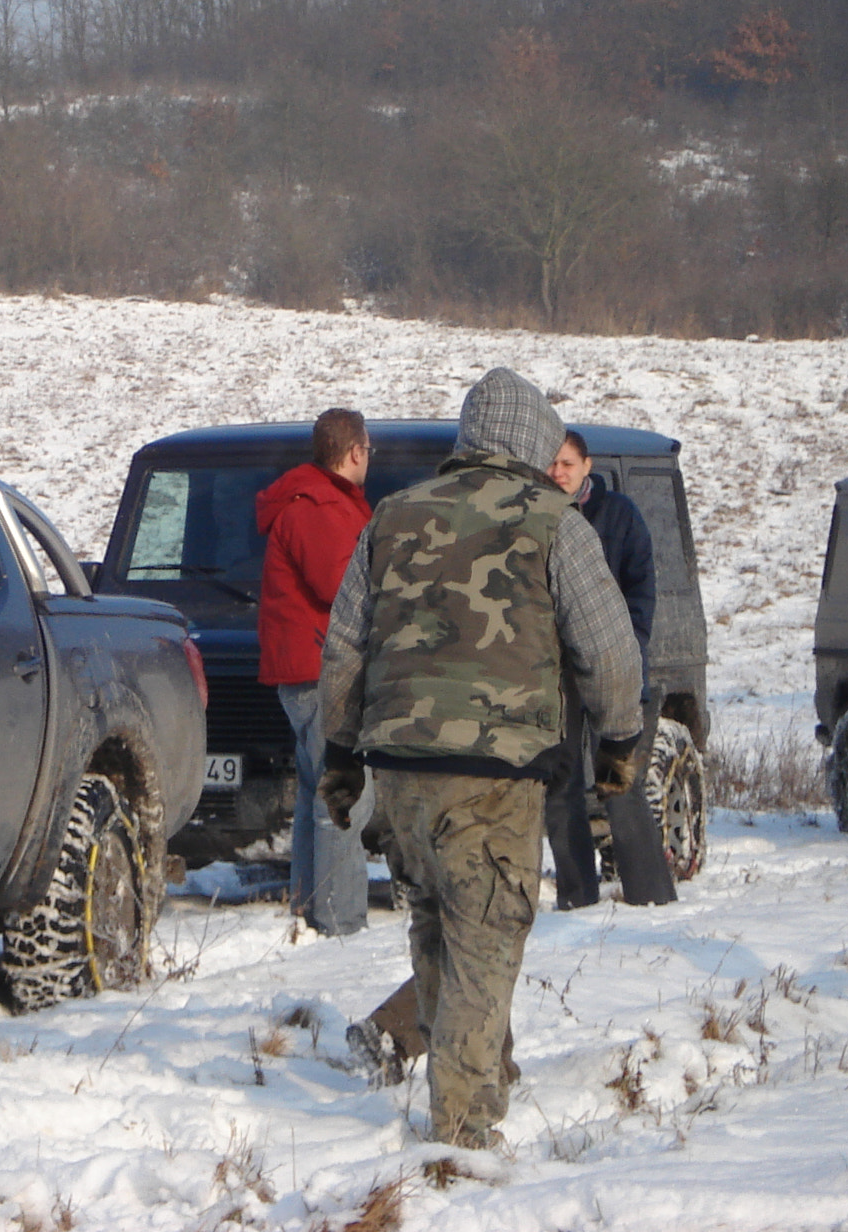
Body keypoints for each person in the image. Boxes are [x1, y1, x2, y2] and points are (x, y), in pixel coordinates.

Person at [316, 369, 643, 1148]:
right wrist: (621, 739)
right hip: (491, 776)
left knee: (435, 930)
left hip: (399, 772)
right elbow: (607, 648)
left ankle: (478, 1073)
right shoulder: (554, 521)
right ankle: (461, 1131)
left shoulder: (390, 516)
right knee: (486, 938)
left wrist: (339, 758)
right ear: (533, 442)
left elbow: (344, 651)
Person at [545, 430, 675, 910]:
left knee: (617, 776)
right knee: (560, 783)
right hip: (556, 672)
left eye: (566, 463)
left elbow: (642, 589)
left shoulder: (618, 515)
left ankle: (651, 893)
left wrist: (631, 647)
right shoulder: (538, 518)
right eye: (551, 465)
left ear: (587, 466)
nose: (558, 472)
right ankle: (577, 895)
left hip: (612, 664)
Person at [256, 408, 373, 935]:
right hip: (323, 665)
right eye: (368, 450)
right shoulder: (318, 506)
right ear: (354, 452)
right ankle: (338, 919)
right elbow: (340, 585)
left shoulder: (318, 500)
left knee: (315, 786)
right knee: (344, 791)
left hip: (308, 664)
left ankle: (308, 910)